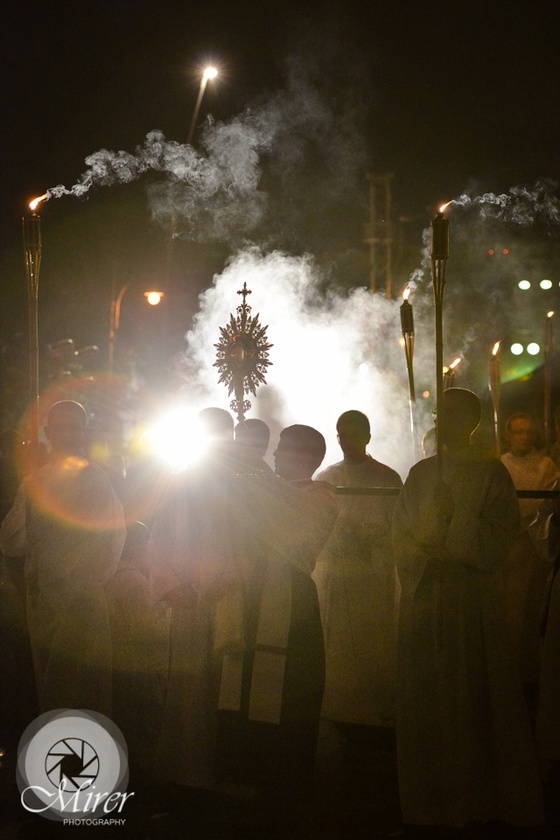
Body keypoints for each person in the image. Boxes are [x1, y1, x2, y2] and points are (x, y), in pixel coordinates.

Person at [151, 408, 336, 817]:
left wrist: (245, 468)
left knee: (282, 694)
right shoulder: (268, 488)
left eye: (283, 451)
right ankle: (240, 774)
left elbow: (291, 536)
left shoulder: (318, 496)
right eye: (273, 450)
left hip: (288, 602)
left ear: (309, 457)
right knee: (240, 687)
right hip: (250, 597)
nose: (273, 456)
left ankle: (283, 784)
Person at [392, 388, 543, 833]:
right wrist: (424, 542)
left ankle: (475, 800)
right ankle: (428, 801)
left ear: (472, 420)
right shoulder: (421, 474)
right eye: (443, 412)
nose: (447, 420)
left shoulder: (491, 473)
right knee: (427, 698)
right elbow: (400, 534)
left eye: (455, 414)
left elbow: (500, 536)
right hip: (427, 595)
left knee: (470, 694)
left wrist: (454, 525)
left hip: (469, 599)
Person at [0, 400, 126, 715]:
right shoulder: (51, 482)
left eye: (73, 427)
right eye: (63, 427)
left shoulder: (41, 483)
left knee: (66, 691)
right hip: (68, 598)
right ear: (48, 431)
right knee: (73, 690)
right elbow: (115, 541)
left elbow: (11, 542)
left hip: (61, 599)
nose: (68, 434)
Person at [313, 409, 403, 730]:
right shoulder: (326, 478)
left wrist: (369, 542)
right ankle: (335, 701)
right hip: (336, 573)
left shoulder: (387, 478)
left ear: (367, 436)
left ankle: (374, 703)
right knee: (335, 640)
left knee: (372, 637)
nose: (346, 441)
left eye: (352, 434)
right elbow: (315, 527)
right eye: (341, 434)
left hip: (371, 574)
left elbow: (398, 529)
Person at [105, 520, 171, 780]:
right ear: (140, 547)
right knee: (142, 736)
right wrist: (168, 614)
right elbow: (147, 633)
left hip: (120, 669)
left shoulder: (111, 579)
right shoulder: (134, 582)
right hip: (140, 673)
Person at [500, 412, 559, 696]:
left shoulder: (546, 466)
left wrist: (532, 526)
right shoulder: (500, 466)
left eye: (527, 432)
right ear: (508, 435)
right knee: (510, 615)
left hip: (536, 552)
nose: (523, 437)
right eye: (517, 432)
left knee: (533, 614)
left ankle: (533, 674)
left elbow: (550, 508)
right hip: (509, 552)